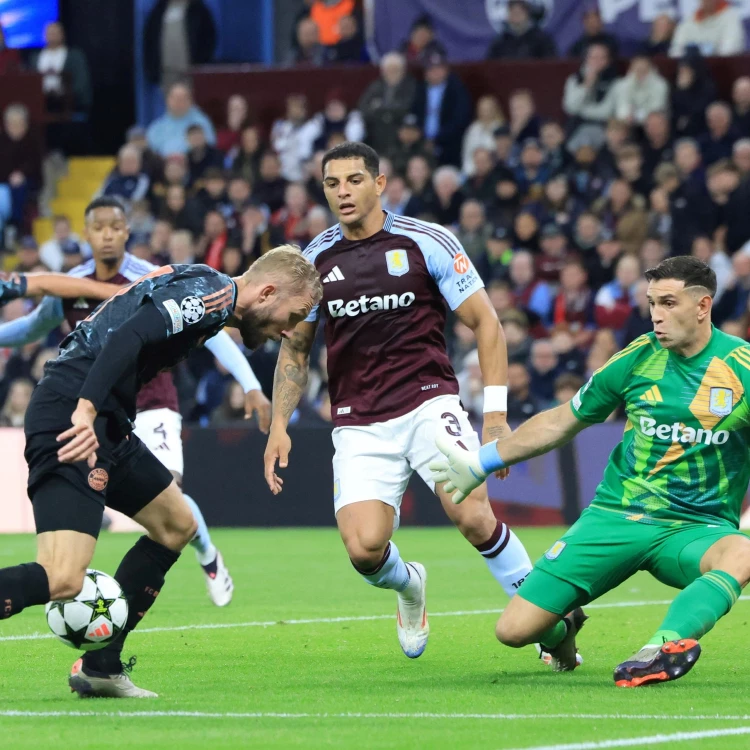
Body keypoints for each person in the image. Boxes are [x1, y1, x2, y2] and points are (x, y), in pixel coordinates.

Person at [0, 212, 321, 698]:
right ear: (267, 294)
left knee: (177, 524)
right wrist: (85, 410)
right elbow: (129, 335)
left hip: (108, 421)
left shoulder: (209, 294)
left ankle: (101, 667)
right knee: (63, 577)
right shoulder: (211, 295)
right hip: (73, 412)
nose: (287, 331)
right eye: (292, 317)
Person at [263, 142, 538, 663]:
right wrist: (280, 423)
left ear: (380, 183)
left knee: (471, 513)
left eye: (353, 180)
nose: (343, 192)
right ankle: (410, 586)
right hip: (359, 421)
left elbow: (487, 323)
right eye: (332, 183)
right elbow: (295, 349)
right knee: (364, 550)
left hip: (429, 403)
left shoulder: (425, 241)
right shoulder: (315, 260)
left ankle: (544, 613)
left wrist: (496, 417)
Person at [432, 255, 750, 685]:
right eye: (652, 302)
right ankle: (564, 630)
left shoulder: (741, 368)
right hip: (614, 517)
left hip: (696, 527)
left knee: (743, 552)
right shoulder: (637, 358)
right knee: (512, 631)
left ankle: (661, 648)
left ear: (703, 305)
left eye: (669, 303)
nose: (656, 315)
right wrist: (483, 460)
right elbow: (563, 419)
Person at [0, 196, 272, 609]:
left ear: (127, 232)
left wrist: (250, 383)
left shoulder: (153, 277)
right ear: (87, 234)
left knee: (171, 501)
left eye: (115, 226)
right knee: (64, 574)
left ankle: (206, 554)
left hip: (150, 402)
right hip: (88, 402)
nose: (107, 234)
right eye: (99, 227)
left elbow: (214, 328)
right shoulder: (70, 285)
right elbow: (33, 327)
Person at [411, 44, 472, 167]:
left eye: (439, 68)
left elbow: (460, 120)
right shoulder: (420, 90)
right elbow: (414, 114)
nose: (435, 72)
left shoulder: (457, 89)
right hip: (421, 145)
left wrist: (437, 139)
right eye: (431, 69)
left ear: (446, 69)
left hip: (449, 147)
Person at [144, 0, 217, 90]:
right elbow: (150, 40)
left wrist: (200, 65)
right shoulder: (159, 10)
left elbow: (209, 39)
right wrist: (152, 69)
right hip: (166, 72)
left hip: (191, 72)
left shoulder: (198, 9)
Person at [358, 52, 416, 158]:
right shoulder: (375, 86)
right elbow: (363, 108)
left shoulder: (410, 86)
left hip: (400, 133)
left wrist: (379, 108)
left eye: (396, 70)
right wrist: (387, 111)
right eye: (389, 70)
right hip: (376, 133)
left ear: (403, 71)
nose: (392, 74)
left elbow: (406, 108)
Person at [146, 81, 216, 157]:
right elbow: (150, 150)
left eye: (183, 99)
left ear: (190, 101)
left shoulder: (201, 123)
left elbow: (210, 147)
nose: (179, 102)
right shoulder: (157, 127)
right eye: (175, 98)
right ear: (167, 100)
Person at [669, 0, 745, 58]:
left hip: (721, 73)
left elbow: (728, 52)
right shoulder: (688, 22)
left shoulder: (731, 18)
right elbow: (675, 52)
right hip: (691, 72)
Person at [485, 0, 556, 60]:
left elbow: (551, 65)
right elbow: (490, 66)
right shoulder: (500, 42)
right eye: (513, 12)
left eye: (519, 12)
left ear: (527, 14)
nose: (516, 16)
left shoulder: (541, 40)